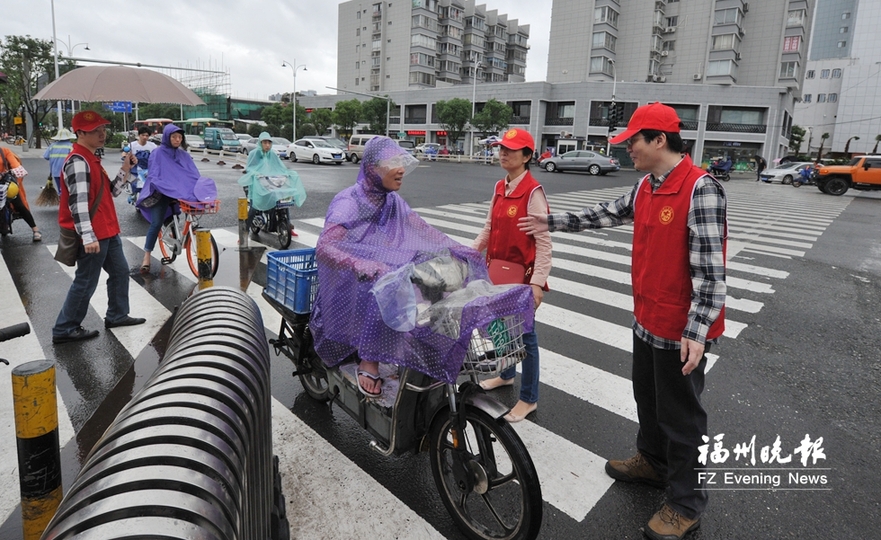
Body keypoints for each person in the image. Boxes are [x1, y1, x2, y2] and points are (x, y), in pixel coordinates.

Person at [519, 102, 727, 540]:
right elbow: (604, 213)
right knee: (648, 401)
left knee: (682, 420)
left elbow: (710, 271)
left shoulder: (699, 189)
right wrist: (550, 221)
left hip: (680, 330)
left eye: (632, 140)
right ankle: (652, 462)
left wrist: (697, 331)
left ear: (658, 139)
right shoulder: (646, 185)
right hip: (647, 319)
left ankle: (686, 504)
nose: (626, 149)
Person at [311, 136, 532, 397]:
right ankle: (368, 361)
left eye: (401, 161)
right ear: (372, 168)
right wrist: (359, 263)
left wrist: (459, 250)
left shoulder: (391, 200)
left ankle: (417, 350)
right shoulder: (349, 201)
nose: (401, 168)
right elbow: (326, 247)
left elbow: (421, 228)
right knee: (382, 286)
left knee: (429, 282)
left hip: (386, 268)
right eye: (393, 162)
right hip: (350, 281)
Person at [471, 128, 551, 423]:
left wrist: (537, 284)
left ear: (527, 156)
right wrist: (470, 252)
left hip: (522, 278)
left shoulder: (532, 193)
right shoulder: (499, 187)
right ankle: (506, 374)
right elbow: (489, 229)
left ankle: (528, 398)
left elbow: (544, 244)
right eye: (501, 148)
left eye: (511, 149)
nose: (503, 153)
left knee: (526, 337)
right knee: (499, 327)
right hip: (496, 272)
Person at [52, 111, 146, 344]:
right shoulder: (78, 161)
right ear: (80, 133)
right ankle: (65, 328)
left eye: (103, 129)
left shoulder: (92, 158)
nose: (102, 134)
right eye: (96, 130)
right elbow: (78, 204)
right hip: (94, 233)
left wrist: (126, 167)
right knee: (86, 281)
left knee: (120, 272)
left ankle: (117, 315)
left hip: (107, 229)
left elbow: (113, 191)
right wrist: (88, 236)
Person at [137, 123, 201, 273]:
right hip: (161, 193)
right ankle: (146, 256)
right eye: (174, 137)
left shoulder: (183, 154)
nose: (177, 139)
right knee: (156, 223)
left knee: (182, 216)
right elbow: (154, 174)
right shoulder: (157, 153)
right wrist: (166, 186)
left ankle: (176, 235)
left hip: (179, 193)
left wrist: (199, 188)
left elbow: (192, 174)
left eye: (180, 137)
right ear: (167, 137)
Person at [238, 131, 306, 238]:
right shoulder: (254, 154)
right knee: (254, 207)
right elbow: (249, 168)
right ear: (260, 143)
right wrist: (256, 174)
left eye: (269, 143)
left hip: (270, 184)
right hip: (256, 185)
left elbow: (280, 167)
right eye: (265, 143)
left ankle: (288, 225)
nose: (267, 145)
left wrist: (287, 174)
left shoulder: (273, 154)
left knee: (283, 201)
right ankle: (245, 232)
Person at [0, 146, 42, 241]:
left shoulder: (4, 151)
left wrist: (17, 170)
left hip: (4, 184)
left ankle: (35, 229)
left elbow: (14, 163)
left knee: (19, 204)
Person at [128, 126, 157, 204]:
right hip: (135, 169)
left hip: (148, 168)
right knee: (134, 183)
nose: (145, 137)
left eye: (147, 135)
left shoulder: (153, 146)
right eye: (143, 135)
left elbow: (157, 156)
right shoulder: (132, 145)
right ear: (139, 135)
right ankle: (133, 194)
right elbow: (125, 154)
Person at [44, 128, 77, 192]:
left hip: (55, 172)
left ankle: (61, 199)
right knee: (68, 190)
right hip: (68, 172)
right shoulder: (71, 146)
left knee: (60, 190)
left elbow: (46, 156)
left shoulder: (52, 146)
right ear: (69, 137)